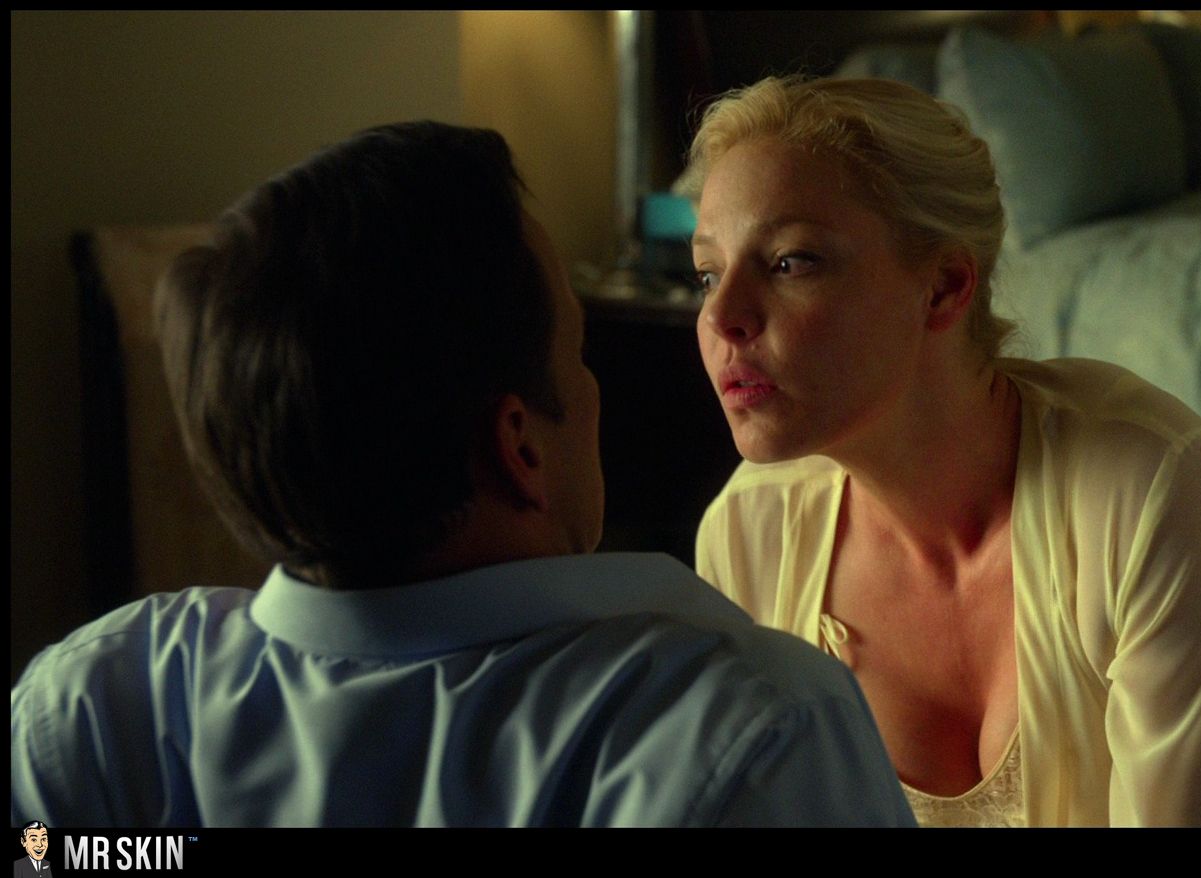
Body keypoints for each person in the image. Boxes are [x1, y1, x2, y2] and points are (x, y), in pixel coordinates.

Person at [9, 121, 913, 828]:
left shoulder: (91, 707)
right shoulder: (750, 732)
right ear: (519, 447)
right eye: (576, 351)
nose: (720, 321)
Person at [685, 76, 1201, 827]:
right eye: (707, 273)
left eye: (790, 262)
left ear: (944, 286)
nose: (721, 316)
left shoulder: (1144, 487)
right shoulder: (747, 534)